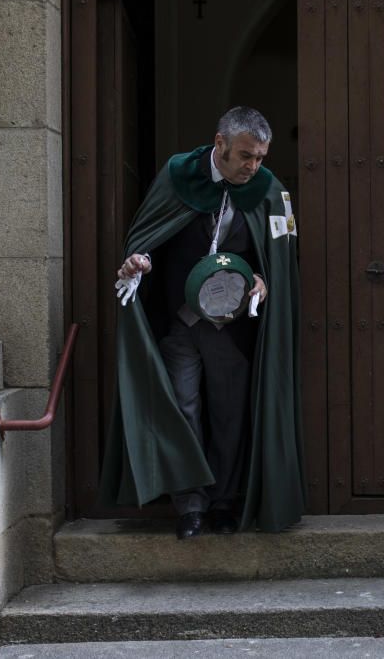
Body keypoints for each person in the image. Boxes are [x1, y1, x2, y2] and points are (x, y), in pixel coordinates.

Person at [99, 106, 304, 538]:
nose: (254, 166)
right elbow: (150, 236)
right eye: (246, 156)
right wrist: (139, 260)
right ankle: (190, 505)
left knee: (229, 416)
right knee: (182, 406)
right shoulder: (179, 175)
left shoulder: (268, 191)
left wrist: (264, 283)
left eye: (261, 157)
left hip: (233, 326)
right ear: (220, 145)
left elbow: (280, 261)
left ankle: (225, 503)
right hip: (181, 321)